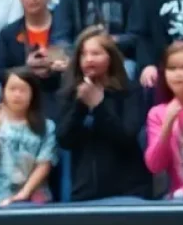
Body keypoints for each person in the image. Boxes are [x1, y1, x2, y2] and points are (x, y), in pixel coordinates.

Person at [55, 26, 151, 201]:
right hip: (85, 193)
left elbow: (127, 137)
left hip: (128, 189)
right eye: (84, 54)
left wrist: (99, 106)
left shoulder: (129, 91)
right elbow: (64, 139)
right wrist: (81, 105)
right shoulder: (69, 94)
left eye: (96, 53)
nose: (89, 59)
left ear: (110, 58)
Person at [0, 68, 58, 206]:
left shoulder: (47, 126)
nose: (17, 95)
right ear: (3, 92)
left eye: (23, 90)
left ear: (33, 94)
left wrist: (24, 193)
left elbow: (44, 164)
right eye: (12, 89)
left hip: (32, 199)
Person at [145, 42, 183, 199]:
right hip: (178, 201)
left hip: (182, 197)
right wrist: (167, 125)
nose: (178, 74)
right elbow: (154, 166)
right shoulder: (158, 113)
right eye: (172, 68)